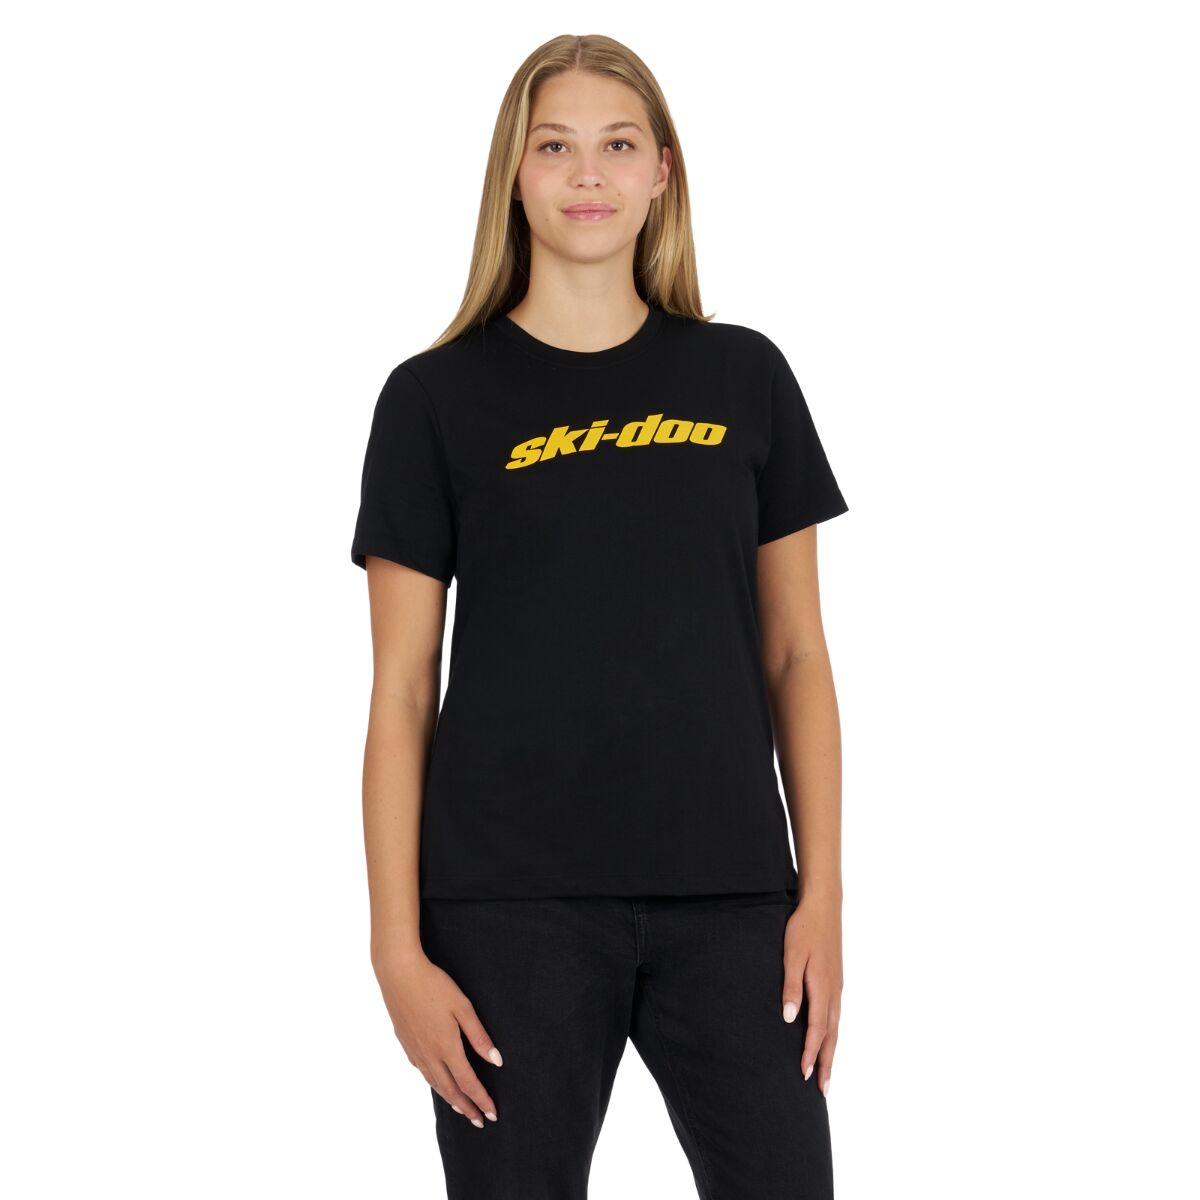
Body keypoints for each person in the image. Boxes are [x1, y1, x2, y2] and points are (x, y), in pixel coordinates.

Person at [350, 33, 849, 1200]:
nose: (588, 174)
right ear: (514, 176)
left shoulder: (745, 378)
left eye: (619, 145)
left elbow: (797, 655)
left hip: (734, 902)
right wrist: (395, 950)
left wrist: (821, 894)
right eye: (555, 146)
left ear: (662, 172)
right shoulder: (433, 399)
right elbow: (402, 692)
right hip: (506, 912)